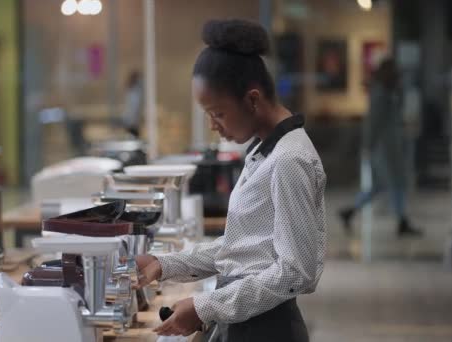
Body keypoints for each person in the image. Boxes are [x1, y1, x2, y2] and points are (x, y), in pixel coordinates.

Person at [134, 19, 326, 342]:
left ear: (252, 100)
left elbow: (296, 272)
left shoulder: (289, 159)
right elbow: (243, 249)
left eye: (218, 114)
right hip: (247, 324)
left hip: (267, 330)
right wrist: (165, 265)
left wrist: (205, 306)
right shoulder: (264, 151)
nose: (213, 126)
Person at [338, 58, 422, 237]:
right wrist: (368, 147)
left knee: (380, 186)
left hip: (388, 147)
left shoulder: (387, 93)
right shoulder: (380, 94)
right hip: (385, 149)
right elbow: (373, 123)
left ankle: (350, 212)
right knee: (396, 183)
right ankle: (402, 221)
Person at [120, 70, 143, 137]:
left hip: (132, 121)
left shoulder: (135, 91)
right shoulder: (133, 92)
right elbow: (132, 107)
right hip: (130, 121)